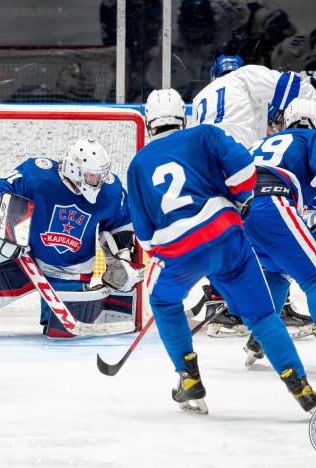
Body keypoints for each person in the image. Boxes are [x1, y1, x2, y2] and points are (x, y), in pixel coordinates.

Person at [127, 88, 316, 414]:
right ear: (182, 118)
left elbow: (144, 236)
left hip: (178, 251)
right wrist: (241, 201)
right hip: (228, 238)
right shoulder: (206, 134)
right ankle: (302, 389)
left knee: (161, 299)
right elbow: (245, 172)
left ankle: (189, 379)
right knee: (261, 315)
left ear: (148, 123)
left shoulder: (138, 163)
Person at [191, 54, 316, 335]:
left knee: (236, 237)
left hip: (205, 174)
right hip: (243, 163)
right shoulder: (246, 76)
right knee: (281, 239)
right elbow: (294, 88)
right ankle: (267, 308)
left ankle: (221, 299)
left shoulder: (200, 97)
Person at [0, 137, 144, 338]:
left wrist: (122, 255)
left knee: (62, 333)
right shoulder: (37, 175)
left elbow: (121, 221)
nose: (98, 182)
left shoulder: (110, 191)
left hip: (70, 269)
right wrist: (3, 222)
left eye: (101, 176)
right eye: (92, 176)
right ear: (74, 170)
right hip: (20, 257)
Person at [243, 98, 316, 364]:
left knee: (276, 270)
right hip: (272, 203)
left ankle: (261, 337)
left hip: (238, 214)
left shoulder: (257, 143)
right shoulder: (310, 137)